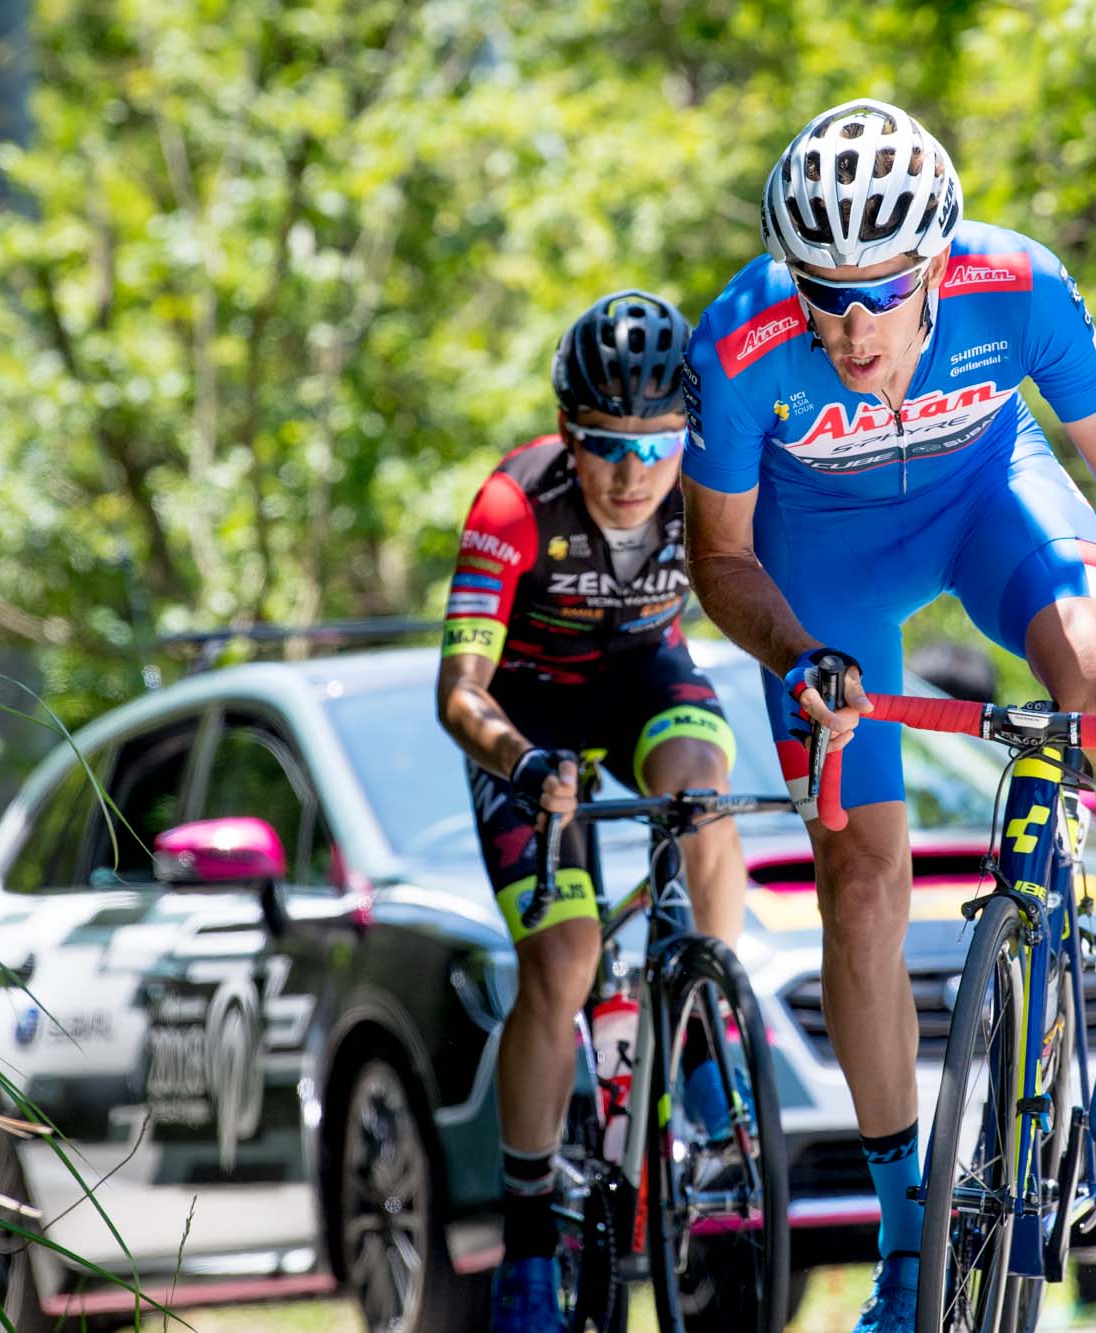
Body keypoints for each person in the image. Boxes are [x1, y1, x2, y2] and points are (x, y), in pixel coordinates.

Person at [679, 98, 1096, 1332]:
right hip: (820, 568)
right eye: (823, 292)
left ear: (937, 263)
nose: (850, 327)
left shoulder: (1020, 287)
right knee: (858, 884)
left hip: (987, 499)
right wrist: (794, 655)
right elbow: (719, 557)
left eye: (881, 291)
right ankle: (906, 1239)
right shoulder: (739, 338)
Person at [435, 291, 743, 1333]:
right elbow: (460, 694)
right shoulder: (513, 504)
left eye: (656, 445)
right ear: (568, 432)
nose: (632, 473)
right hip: (527, 720)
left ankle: (703, 1028)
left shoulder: (709, 482)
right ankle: (528, 1237)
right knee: (563, 961)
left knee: (698, 793)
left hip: (645, 683)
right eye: (607, 444)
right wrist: (521, 763)